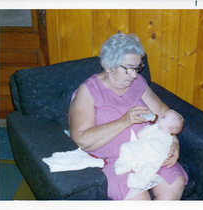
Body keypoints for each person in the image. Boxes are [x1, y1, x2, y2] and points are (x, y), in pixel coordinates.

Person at [68, 32, 188, 200]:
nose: (134, 75)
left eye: (138, 68)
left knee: (175, 183)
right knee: (139, 200)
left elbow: (165, 115)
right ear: (109, 66)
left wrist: (174, 144)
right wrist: (123, 122)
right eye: (129, 68)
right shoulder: (88, 91)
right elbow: (81, 139)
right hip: (114, 162)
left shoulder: (138, 82)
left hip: (150, 153)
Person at [114, 109, 184, 191]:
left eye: (163, 117)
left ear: (170, 127)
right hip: (138, 151)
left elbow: (164, 154)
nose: (159, 116)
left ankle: (137, 181)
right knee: (125, 147)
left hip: (151, 160)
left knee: (148, 169)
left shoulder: (169, 140)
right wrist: (154, 127)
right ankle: (125, 164)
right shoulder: (153, 129)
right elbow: (141, 134)